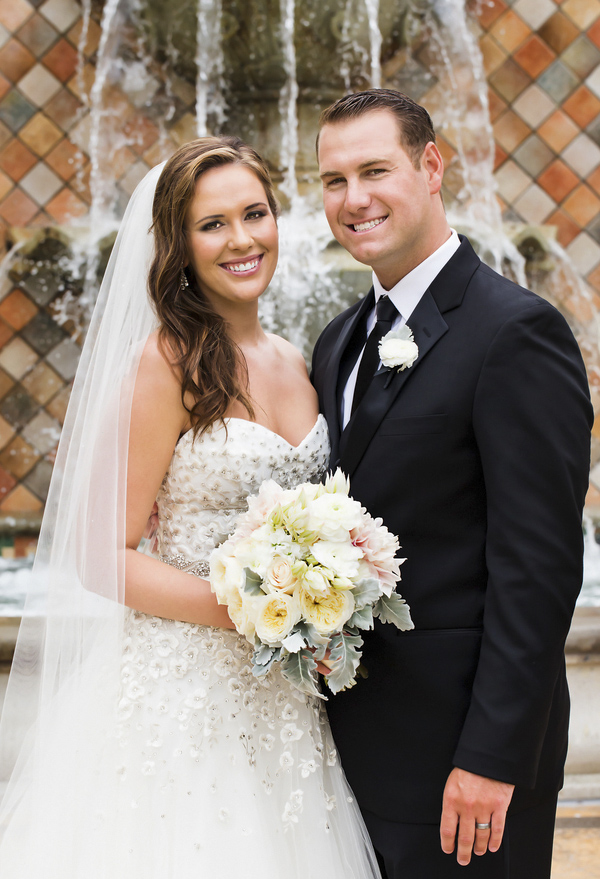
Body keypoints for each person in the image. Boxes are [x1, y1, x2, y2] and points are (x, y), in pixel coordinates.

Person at [0, 137, 381, 879]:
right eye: (213, 224)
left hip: (283, 699)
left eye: (255, 213)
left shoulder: (298, 360)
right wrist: (267, 605)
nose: (242, 239)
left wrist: (318, 599)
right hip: (179, 693)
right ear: (179, 243)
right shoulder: (164, 362)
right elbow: (100, 555)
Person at [311, 89, 593, 879]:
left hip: (461, 770)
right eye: (334, 180)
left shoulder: (516, 333)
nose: (353, 198)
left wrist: (492, 758)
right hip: (347, 753)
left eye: (375, 170)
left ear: (431, 166)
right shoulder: (339, 340)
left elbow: (537, 570)